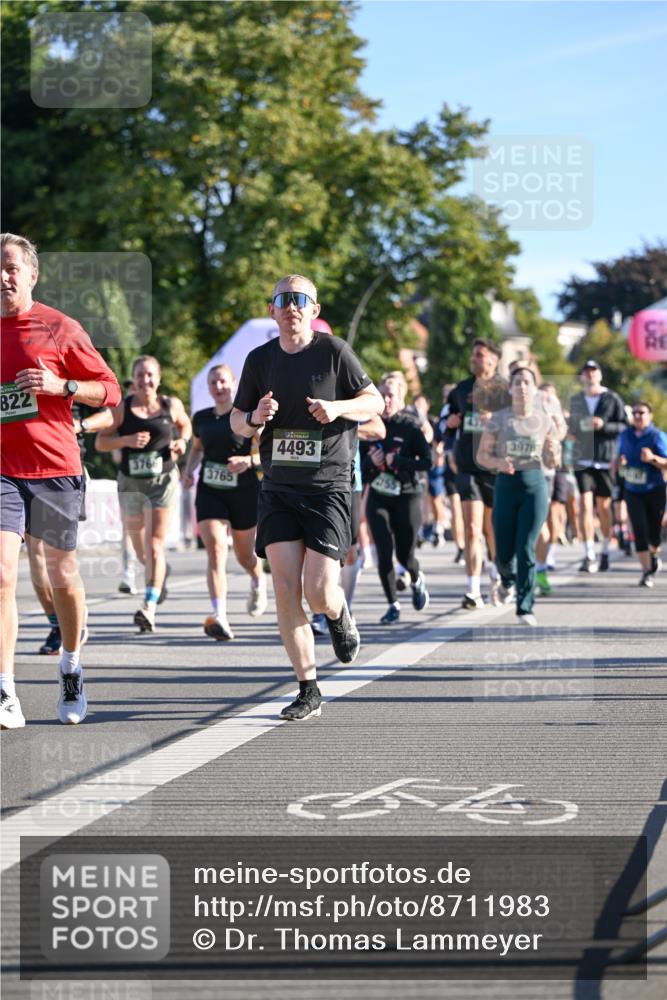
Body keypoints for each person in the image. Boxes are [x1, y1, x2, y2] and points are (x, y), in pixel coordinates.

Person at [230, 274, 383, 722]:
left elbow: (374, 402)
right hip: (278, 487)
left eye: (300, 299)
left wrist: (338, 408)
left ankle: (337, 613)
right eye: (283, 299)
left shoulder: (333, 352)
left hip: (328, 486)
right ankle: (308, 688)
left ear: (314, 310)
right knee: (284, 589)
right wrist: (254, 417)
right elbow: (236, 419)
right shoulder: (259, 360)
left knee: (318, 592)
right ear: (272, 310)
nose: (291, 306)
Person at [1, 232, 121, 728]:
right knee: (2, 574)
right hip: (3, 472)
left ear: (32, 274)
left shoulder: (59, 327)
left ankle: (71, 666)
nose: (3, 276)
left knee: (62, 575)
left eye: (11, 267)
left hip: (53, 469)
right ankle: (5, 689)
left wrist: (62, 385)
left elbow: (110, 391)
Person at [95, 355, 191, 633]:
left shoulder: (171, 405)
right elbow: (101, 442)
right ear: (134, 380)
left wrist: (182, 442)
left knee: (154, 544)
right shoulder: (122, 409)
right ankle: (159, 574)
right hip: (131, 483)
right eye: (140, 375)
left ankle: (149, 606)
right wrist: (127, 440)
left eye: (150, 375)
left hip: (162, 480)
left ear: (158, 379)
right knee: (140, 549)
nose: (145, 380)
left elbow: (185, 426)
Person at [182, 363, 267, 640]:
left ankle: (257, 579)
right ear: (208, 388)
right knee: (216, 550)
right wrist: (188, 470)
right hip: (210, 490)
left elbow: (267, 450)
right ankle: (220, 615)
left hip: (244, 491)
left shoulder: (246, 417)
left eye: (222, 381)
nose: (218, 387)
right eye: (213, 382)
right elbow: (197, 448)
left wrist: (249, 461)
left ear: (233, 384)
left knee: (245, 556)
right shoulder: (201, 418)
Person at [477, 367, 561, 626]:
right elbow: (482, 456)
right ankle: (507, 579)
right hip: (506, 486)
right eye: (517, 382)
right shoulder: (499, 419)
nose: (522, 387)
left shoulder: (544, 419)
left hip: (534, 487)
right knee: (503, 551)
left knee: (526, 547)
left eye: (527, 382)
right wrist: (498, 463)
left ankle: (525, 607)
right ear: (511, 389)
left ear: (534, 389)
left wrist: (552, 452)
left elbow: (553, 462)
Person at [32, 405, 114, 654]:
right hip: (22, 466)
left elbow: (108, 415)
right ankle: (57, 623)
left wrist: (80, 425)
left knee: (58, 559)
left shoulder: (72, 382)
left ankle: (74, 618)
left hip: (63, 468)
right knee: (36, 554)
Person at [365, 375, 432, 624]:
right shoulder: (369, 426)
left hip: (407, 494)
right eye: (382, 394)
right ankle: (393, 604)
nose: (386, 400)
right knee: (384, 552)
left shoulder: (410, 427)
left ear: (401, 398)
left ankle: (416, 578)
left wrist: (400, 461)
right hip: (379, 496)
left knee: (405, 555)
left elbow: (427, 462)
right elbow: (357, 465)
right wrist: (370, 461)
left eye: (391, 395)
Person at [311, 413, 386, 637]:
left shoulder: (351, 394)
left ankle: (345, 606)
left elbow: (379, 428)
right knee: (315, 550)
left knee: (349, 552)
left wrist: (343, 431)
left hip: (348, 481)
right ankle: (319, 612)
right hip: (310, 480)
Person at [446, 339, 506, 608]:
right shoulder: (461, 389)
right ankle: (473, 590)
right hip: (467, 465)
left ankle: (497, 576)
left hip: (495, 466)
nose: (474, 358)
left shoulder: (506, 389)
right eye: (473, 354)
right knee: (472, 529)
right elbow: (447, 423)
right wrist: (449, 429)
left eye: (479, 355)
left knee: (492, 529)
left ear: (494, 359)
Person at [568, 360, 627, 573]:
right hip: (582, 459)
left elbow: (624, 425)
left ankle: (605, 550)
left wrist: (604, 425)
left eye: (594, 371)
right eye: (587, 372)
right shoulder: (576, 399)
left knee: (603, 506)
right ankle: (589, 553)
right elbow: (571, 426)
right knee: (585, 504)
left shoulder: (612, 398)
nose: (590, 375)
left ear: (600, 375)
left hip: (605, 459)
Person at [615, 402, 667, 587]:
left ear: (650, 415)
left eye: (641, 412)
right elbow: (617, 460)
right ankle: (646, 572)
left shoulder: (657, 436)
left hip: (654, 489)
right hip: (632, 490)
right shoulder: (624, 435)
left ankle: (654, 554)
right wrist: (619, 462)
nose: (637, 416)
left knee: (654, 532)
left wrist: (653, 458)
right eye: (635, 412)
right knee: (639, 530)